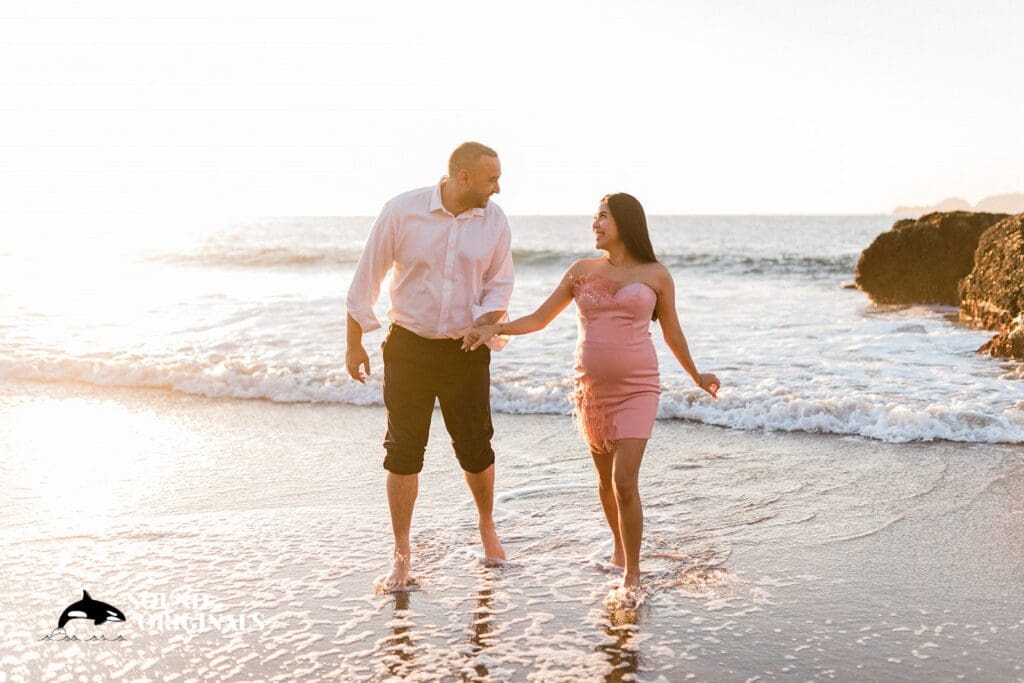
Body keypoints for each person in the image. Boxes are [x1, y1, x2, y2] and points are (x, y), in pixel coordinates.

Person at [462, 193, 719, 598]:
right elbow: (540, 318)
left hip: (639, 388)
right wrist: (495, 328)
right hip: (592, 389)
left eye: (602, 217)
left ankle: (632, 573)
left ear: (625, 223)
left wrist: (696, 375)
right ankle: (619, 547)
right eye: (595, 217)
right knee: (604, 481)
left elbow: (672, 331)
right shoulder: (581, 271)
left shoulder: (657, 275)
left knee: (624, 482)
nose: (595, 224)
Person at [345, 142, 514, 591]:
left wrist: (486, 324)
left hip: (466, 349)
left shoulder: (495, 221)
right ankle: (401, 555)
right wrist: (354, 344)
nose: (498, 188)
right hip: (409, 349)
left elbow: (500, 285)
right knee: (403, 450)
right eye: (492, 179)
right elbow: (366, 279)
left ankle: (487, 527)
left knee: (476, 447)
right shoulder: (402, 211)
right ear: (464, 177)